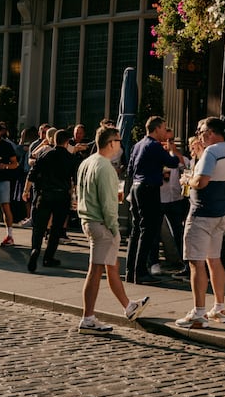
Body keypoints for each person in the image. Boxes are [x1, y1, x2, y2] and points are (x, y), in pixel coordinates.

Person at [75, 125, 149, 335]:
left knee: (111, 266)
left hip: (89, 220)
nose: (121, 146)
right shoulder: (105, 167)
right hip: (101, 223)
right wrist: (115, 229)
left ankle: (128, 306)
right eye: (118, 141)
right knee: (96, 270)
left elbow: (79, 192)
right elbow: (108, 203)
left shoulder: (87, 162)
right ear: (110, 143)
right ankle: (88, 318)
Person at [175, 117, 225, 329]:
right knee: (214, 259)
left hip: (202, 212)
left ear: (209, 133)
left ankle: (198, 313)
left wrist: (187, 180)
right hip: (220, 212)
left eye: (201, 132)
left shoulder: (211, 152)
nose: (199, 136)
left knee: (196, 262)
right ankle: (220, 307)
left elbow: (201, 182)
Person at [124, 116, 181, 284]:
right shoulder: (154, 145)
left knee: (136, 230)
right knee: (148, 230)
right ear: (156, 129)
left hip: (136, 187)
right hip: (149, 189)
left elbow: (130, 169)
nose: (165, 132)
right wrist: (172, 151)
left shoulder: (137, 145)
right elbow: (172, 163)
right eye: (163, 128)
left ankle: (130, 270)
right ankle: (141, 271)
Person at [24, 129, 78, 272]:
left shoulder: (45, 154)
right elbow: (74, 180)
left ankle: (35, 249)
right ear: (67, 142)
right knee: (56, 228)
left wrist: (25, 191)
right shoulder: (70, 158)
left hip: (45, 194)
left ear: (54, 140)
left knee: (39, 226)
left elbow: (32, 173)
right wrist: (75, 197)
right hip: (62, 196)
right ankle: (48, 257)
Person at [159, 133, 190, 272]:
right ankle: (160, 260)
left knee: (178, 231)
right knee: (157, 232)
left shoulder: (179, 157)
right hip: (161, 197)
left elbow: (186, 168)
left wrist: (175, 152)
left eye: (171, 140)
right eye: (165, 140)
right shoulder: (158, 156)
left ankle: (183, 261)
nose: (168, 143)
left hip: (176, 198)